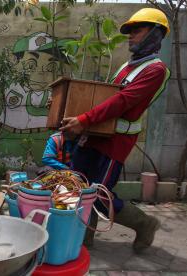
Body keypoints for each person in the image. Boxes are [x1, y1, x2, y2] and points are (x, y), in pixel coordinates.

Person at [59, 8, 170, 253]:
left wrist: (84, 120)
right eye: (130, 31)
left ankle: (145, 223)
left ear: (156, 34)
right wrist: (66, 107)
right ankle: (84, 241)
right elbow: (102, 97)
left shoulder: (155, 69)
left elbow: (122, 102)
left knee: (99, 194)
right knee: (80, 187)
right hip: (95, 135)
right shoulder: (127, 66)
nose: (130, 36)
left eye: (137, 30)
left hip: (115, 142)